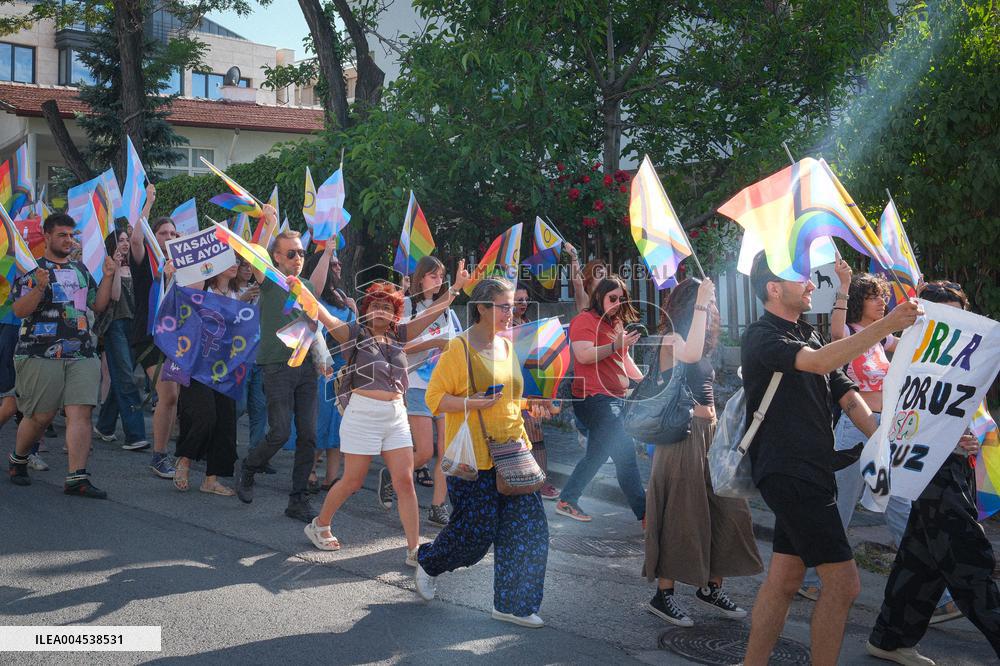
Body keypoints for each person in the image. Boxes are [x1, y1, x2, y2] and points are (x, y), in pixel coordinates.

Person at [741, 254, 919, 666]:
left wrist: (884, 442)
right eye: (799, 279)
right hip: (790, 471)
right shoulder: (762, 335)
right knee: (843, 585)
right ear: (773, 288)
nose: (808, 284)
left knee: (784, 580)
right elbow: (819, 363)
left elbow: (849, 395)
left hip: (813, 471)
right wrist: (888, 324)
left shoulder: (808, 332)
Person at [799, 263, 960, 624]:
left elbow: (918, 344)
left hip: (886, 434)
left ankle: (940, 597)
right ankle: (809, 579)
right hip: (854, 434)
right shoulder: (853, 334)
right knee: (838, 511)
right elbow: (836, 335)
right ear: (858, 301)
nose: (879, 303)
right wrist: (842, 284)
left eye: (882, 298)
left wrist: (923, 305)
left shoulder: (882, 338)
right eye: (873, 297)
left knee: (901, 508)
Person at [867, 280, 1000, 665]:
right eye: (944, 312)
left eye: (959, 311)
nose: (954, 320)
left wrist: (968, 437)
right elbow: (899, 417)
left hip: (953, 467)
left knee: (921, 559)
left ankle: (889, 638)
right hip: (928, 471)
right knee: (968, 557)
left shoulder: (967, 356)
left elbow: (964, 407)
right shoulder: (910, 360)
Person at [302, 262, 471, 567]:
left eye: (386, 306)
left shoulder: (400, 334)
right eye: (375, 305)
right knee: (352, 481)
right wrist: (303, 293)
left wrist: (456, 288)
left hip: (395, 414)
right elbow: (325, 318)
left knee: (405, 481)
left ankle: (413, 550)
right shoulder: (354, 333)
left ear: (395, 311)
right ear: (367, 309)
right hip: (362, 414)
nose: (380, 311)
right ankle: (320, 524)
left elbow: (433, 313)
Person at [412, 277, 549, 629]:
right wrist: (473, 402)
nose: (511, 311)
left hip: (513, 453)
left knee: (528, 531)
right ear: (483, 308)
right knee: (475, 536)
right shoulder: (460, 348)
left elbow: (512, 398)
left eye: (511, 306)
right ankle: (429, 562)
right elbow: (434, 399)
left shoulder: (507, 346)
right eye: (503, 306)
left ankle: (513, 605)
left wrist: (535, 404)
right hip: (473, 460)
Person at [643, 277, 762, 626]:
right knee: (682, 513)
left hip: (710, 433)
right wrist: (701, 303)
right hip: (682, 436)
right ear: (686, 305)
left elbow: (700, 358)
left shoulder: (700, 339)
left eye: (710, 305)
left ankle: (711, 587)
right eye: (703, 304)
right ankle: (663, 595)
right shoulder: (670, 339)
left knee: (727, 508)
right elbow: (690, 354)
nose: (709, 310)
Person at [7, 212, 116, 496]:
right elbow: (19, 311)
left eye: (72, 235)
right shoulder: (32, 269)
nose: (69, 240)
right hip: (39, 353)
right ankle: (18, 458)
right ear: (47, 237)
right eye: (62, 235)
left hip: (82, 352)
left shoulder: (81, 270)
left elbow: (99, 305)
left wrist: (107, 276)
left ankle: (77, 478)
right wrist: (40, 287)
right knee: (40, 417)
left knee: (81, 412)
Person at [236, 218, 337, 522]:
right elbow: (254, 255)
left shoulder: (305, 287)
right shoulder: (270, 280)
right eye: (291, 253)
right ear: (277, 257)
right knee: (279, 431)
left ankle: (297, 500)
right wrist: (266, 221)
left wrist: (328, 252)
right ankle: (250, 467)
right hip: (277, 365)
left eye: (301, 253)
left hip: (305, 367)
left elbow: (316, 318)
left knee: (308, 435)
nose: (297, 259)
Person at [555, 276, 647, 523]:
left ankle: (567, 499)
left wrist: (643, 381)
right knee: (624, 451)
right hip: (593, 398)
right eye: (612, 298)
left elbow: (623, 360)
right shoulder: (584, 321)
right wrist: (617, 345)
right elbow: (583, 356)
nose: (617, 303)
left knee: (596, 454)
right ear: (599, 297)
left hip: (614, 398)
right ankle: (646, 514)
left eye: (621, 299)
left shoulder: (617, 324)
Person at [402, 256, 462, 524]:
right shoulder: (406, 306)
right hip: (416, 384)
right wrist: (435, 342)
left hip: (444, 387)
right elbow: (399, 347)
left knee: (446, 451)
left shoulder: (448, 310)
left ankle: (438, 506)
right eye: (433, 276)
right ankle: (395, 475)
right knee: (424, 452)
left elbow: (456, 342)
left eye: (441, 276)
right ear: (421, 278)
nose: (438, 281)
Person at [171, 264, 241, 495]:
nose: (236, 265)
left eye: (238, 260)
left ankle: (211, 479)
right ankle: (186, 459)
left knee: (226, 421)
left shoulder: (237, 293)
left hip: (225, 367)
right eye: (229, 260)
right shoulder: (202, 288)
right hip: (197, 364)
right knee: (204, 415)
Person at [295, 246, 356, 490]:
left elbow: (354, 332)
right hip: (322, 366)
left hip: (343, 368)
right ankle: (309, 470)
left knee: (338, 425)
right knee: (318, 422)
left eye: (339, 263)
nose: (339, 266)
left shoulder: (342, 295)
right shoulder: (315, 297)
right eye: (333, 263)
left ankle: (332, 477)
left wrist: (355, 308)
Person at [127, 184, 177, 479]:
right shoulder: (145, 262)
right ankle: (159, 456)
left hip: (176, 338)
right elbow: (135, 237)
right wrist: (148, 202)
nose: (168, 238)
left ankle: (163, 453)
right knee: (168, 393)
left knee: (171, 398)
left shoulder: (182, 265)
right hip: (149, 336)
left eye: (172, 234)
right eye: (162, 233)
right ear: (152, 237)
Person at [93, 226, 148, 451]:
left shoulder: (136, 266)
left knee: (120, 378)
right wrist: (115, 268)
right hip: (115, 327)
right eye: (121, 240)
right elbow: (114, 296)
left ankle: (104, 426)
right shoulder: (108, 267)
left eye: (127, 239)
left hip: (134, 328)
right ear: (113, 245)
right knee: (126, 378)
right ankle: (135, 435)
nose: (125, 243)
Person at [512, 282, 560, 500]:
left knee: (537, 433)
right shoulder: (504, 329)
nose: (523, 304)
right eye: (518, 300)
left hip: (531, 385)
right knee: (520, 437)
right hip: (512, 389)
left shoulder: (529, 324)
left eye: (525, 299)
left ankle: (541, 480)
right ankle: (525, 479)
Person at [233, 255, 269, 471]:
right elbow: (226, 316)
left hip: (259, 355)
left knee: (260, 407)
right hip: (239, 357)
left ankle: (257, 457)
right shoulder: (231, 290)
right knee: (240, 405)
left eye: (250, 267)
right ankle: (222, 444)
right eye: (243, 266)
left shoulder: (262, 291)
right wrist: (244, 298)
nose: (247, 270)